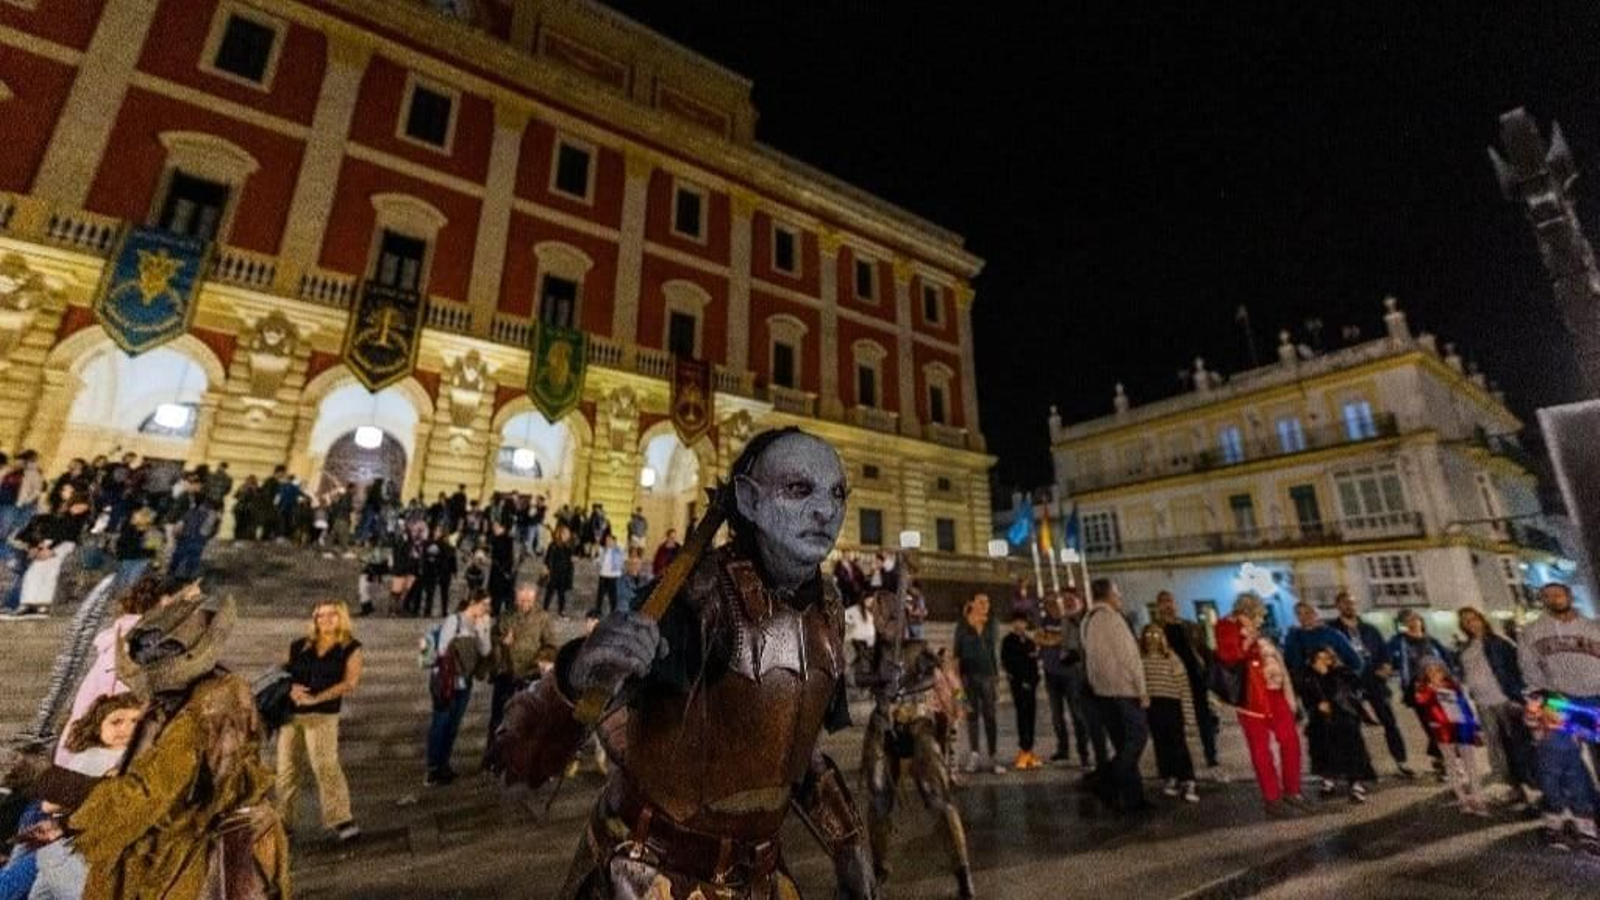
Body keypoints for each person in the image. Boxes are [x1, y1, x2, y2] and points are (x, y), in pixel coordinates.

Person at [494, 428, 874, 899]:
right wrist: (577, 673)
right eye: (799, 489)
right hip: (649, 874)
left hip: (758, 878)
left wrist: (849, 844)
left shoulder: (828, 610)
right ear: (749, 501)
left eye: (837, 493)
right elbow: (525, 757)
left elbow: (793, 756)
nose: (826, 509)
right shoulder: (692, 599)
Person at [67, 590, 288, 898]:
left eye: (157, 658)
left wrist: (53, 782)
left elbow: (152, 791)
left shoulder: (209, 705)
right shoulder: (188, 696)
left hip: (207, 843)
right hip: (202, 833)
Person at [859, 579, 974, 898]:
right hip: (884, 724)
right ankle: (880, 868)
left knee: (937, 796)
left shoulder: (918, 650)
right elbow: (859, 677)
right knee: (879, 797)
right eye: (882, 618)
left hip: (918, 722)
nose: (887, 624)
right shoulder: (870, 652)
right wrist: (883, 677)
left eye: (893, 617)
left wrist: (921, 678)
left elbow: (941, 677)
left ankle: (962, 870)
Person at [54, 575, 170, 766]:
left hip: (87, 742)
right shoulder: (135, 642)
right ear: (164, 602)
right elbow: (120, 706)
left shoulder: (128, 635)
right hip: (97, 748)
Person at [1519, 582, 1600, 854]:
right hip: (1562, 699)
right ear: (1542, 600)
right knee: (1569, 758)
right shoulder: (1532, 632)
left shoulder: (1592, 627)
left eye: (1558, 593)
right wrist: (1540, 694)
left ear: (1568, 596)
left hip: (1597, 695)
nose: (1554, 598)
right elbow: (1528, 665)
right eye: (1547, 595)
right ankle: (1589, 811)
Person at [277, 600, 364, 843]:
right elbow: (282, 673)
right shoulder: (298, 646)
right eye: (319, 616)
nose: (324, 620)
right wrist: (291, 688)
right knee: (286, 770)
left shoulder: (351, 647)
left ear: (342, 617)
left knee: (325, 765)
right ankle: (284, 823)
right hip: (291, 714)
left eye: (331, 615)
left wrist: (316, 699)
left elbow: (350, 682)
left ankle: (341, 819)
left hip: (323, 715)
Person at [1215, 592, 1305, 815]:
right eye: (1260, 614)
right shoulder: (1227, 625)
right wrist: (1248, 638)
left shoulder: (1257, 631)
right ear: (1249, 610)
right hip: (1251, 697)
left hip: (1273, 692)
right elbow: (1229, 656)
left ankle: (1292, 791)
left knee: (1290, 741)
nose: (1262, 619)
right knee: (1260, 749)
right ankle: (1272, 798)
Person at [1327, 590, 1415, 779]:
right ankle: (1362, 768)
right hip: (1349, 682)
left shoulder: (1370, 629)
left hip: (1374, 680)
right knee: (1352, 727)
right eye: (1344, 603)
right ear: (1338, 606)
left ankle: (1401, 761)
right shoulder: (1331, 630)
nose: (1349, 606)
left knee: (1389, 722)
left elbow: (1384, 652)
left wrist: (1386, 666)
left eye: (1351, 602)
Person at [1456, 607, 1536, 813]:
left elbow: (1518, 670)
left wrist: (1518, 697)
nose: (1470, 623)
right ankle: (1515, 788)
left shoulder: (1500, 643)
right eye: (1465, 621)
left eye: (1473, 619)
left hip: (1504, 701)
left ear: (1482, 619)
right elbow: (1466, 674)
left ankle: (1533, 791)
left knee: (1518, 745)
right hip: (1483, 704)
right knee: (1498, 749)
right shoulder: (1465, 648)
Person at [1081, 578, 1149, 812]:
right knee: (1138, 739)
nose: (1120, 598)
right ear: (1108, 596)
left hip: (1103, 692)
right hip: (1124, 690)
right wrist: (1142, 690)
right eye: (1117, 594)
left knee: (1122, 743)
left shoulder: (1087, 621)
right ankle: (1105, 780)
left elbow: (1089, 659)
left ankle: (1134, 797)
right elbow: (1129, 657)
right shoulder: (1113, 619)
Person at [485, 583, 558, 770]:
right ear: (516, 599)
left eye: (529, 601)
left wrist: (541, 659)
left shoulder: (543, 618)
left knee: (526, 720)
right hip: (506, 674)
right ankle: (493, 758)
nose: (525, 604)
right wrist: (502, 642)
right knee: (498, 719)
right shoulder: (505, 616)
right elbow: (491, 640)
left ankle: (521, 761)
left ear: (534, 600)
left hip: (529, 675)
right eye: (522, 600)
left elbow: (551, 646)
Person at [425, 591, 492, 786]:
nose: (486, 609)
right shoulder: (454, 620)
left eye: (488, 605)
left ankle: (444, 763)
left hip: (466, 681)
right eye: (484, 604)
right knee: (441, 722)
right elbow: (441, 650)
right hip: (447, 680)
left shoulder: (481, 623)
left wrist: (483, 631)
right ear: (473, 602)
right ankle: (432, 768)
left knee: (453, 725)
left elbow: (485, 651)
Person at [1153, 590, 1221, 774]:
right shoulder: (1156, 630)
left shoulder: (1189, 626)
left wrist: (1209, 674)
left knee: (1204, 719)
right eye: (1163, 602)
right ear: (1158, 606)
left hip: (1195, 679)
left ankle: (1212, 757)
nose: (1168, 605)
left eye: (1170, 601)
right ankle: (1182, 764)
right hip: (1172, 682)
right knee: (1176, 723)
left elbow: (1204, 651)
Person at [1297, 646, 1376, 803]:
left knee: (1351, 748)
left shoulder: (1341, 674)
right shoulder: (1307, 678)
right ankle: (1329, 780)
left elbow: (1352, 691)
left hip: (1343, 717)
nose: (1324, 662)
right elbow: (1306, 698)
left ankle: (1355, 783)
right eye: (1319, 659)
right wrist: (1316, 706)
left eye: (1327, 658)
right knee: (1323, 750)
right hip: (1320, 721)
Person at [1414, 656, 1489, 816]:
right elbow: (1421, 702)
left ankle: (1478, 798)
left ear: (1444, 670)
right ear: (1425, 673)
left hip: (1462, 727)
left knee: (1471, 764)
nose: (1435, 673)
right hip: (1442, 731)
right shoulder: (1423, 689)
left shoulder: (1453, 685)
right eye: (1430, 671)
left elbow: (1465, 706)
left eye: (1438, 669)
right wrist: (1431, 689)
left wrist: (1475, 727)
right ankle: (1463, 800)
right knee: (1451, 765)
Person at [1387, 609, 1456, 779]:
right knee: (1431, 725)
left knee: (1445, 723)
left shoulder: (1432, 641)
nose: (1412, 622)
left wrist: (1452, 679)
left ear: (1420, 620)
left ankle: (1444, 758)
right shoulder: (1399, 642)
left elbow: (1448, 660)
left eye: (1414, 618)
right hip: (1418, 690)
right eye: (1407, 620)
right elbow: (1386, 657)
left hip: (1440, 687)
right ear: (1403, 624)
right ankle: (1444, 761)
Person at [1140, 624, 1197, 803]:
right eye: (1148, 634)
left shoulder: (1172, 658)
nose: (1152, 638)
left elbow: (1183, 687)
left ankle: (1187, 779)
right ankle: (1169, 776)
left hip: (1172, 704)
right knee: (1161, 744)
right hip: (1153, 706)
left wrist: (1189, 716)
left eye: (1156, 634)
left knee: (1178, 743)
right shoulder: (1141, 659)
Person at [1037, 591, 1092, 767]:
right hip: (1051, 673)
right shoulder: (1044, 622)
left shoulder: (1070, 621)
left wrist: (1051, 640)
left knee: (1077, 714)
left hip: (1070, 674)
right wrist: (1050, 640)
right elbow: (1039, 639)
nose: (1051, 606)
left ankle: (1084, 752)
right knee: (1056, 715)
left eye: (1054, 602)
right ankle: (1063, 749)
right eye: (1047, 603)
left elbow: (1063, 640)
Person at [954, 593, 1005, 774]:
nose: (985, 604)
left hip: (988, 675)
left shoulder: (993, 624)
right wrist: (957, 683)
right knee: (972, 716)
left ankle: (993, 756)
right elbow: (956, 654)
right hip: (968, 677)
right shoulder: (962, 625)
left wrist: (996, 679)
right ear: (973, 603)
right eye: (981, 602)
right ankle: (974, 754)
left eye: (987, 601)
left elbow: (993, 651)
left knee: (990, 716)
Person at [1001, 612, 1043, 771]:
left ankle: (1029, 749)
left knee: (1031, 715)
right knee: (1022, 715)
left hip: (1031, 685)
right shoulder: (1008, 641)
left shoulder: (1030, 641)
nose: (1020, 625)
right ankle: (1023, 749)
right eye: (1017, 622)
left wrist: (1033, 681)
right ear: (1013, 624)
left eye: (1022, 622)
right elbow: (1008, 663)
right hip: (1018, 685)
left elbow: (1034, 662)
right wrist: (1021, 680)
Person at [1283, 600, 1361, 674]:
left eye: (1307, 612)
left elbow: (1356, 662)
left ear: (1315, 613)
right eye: (1299, 613)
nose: (1304, 617)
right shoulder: (1292, 637)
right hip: (1304, 684)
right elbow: (1287, 663)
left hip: (1331, 683)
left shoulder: (1332, 634)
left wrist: (1341, 673)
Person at [111, 507, 159, 591]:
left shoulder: (151, 532)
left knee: (127, 586)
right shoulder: (129, 528)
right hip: (130, 559)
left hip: (137, 560)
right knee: (124, 586)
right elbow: (121, 544)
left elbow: (154, 549)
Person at [418, 522, 457, 619]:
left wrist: (453, 570)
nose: (437, 533)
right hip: (430, 570)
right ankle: (427, 610)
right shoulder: (427, 543)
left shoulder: (447, 545)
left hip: (444, 570)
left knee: (444, 592)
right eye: (436, 531)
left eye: (439, 531)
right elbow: (423, 557)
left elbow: (452, 558)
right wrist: (422, 568)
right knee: (429, 592)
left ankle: (444, 610)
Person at [541, 524, 575, 616]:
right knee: (550, 591)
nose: (568, 535)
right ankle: (545, 609)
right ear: (561, 534)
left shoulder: (568, 546)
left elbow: (570, 561)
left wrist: (570, 572)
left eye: (568, 533)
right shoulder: (553, 545)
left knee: (562, 594)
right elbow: (548, 558)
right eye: (566, 533)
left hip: (564, 573)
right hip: (553, 572)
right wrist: (546, 568)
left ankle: (561, 611)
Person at [593, 532, 624, 618]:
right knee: (600, 596)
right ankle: (598, 612)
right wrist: (595, 556)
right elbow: (597, 561)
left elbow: (622, 559)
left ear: (614, 541)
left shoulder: (618, 550)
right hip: (603, 575)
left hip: (614, 576)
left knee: (613, 596)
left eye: (610, 540)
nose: (608, 542)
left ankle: (614, 613)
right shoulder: (603, 550)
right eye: (607, 540)